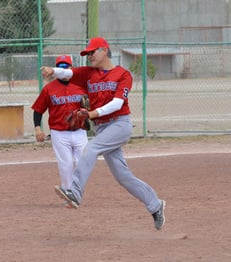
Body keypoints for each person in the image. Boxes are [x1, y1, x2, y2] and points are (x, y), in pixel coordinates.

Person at [40, 37, 166, 230]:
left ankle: (75, 192)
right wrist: (52, 71)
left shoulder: (123, 75)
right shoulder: (88, 74)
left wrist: (91, 113)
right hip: (102, 127)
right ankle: (155, 205)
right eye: (87, 54)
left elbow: (117, 103)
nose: (89, 56)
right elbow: (68, 73)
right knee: (122, 176)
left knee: (91, 148)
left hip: (119, 124)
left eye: (92, 52)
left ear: (104, 51)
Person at [32, 55, 89, 207]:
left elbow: (91, 107)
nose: (64, 70)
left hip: (79, 131)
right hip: (59, 132)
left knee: (82, 162)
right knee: (66, 164)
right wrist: (38, 128)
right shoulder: (49, 89)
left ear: (72, 68)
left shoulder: (81, 86)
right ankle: (69, 194)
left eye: (67, 67)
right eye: (61, 67)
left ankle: (75, 192)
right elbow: (38, 110)